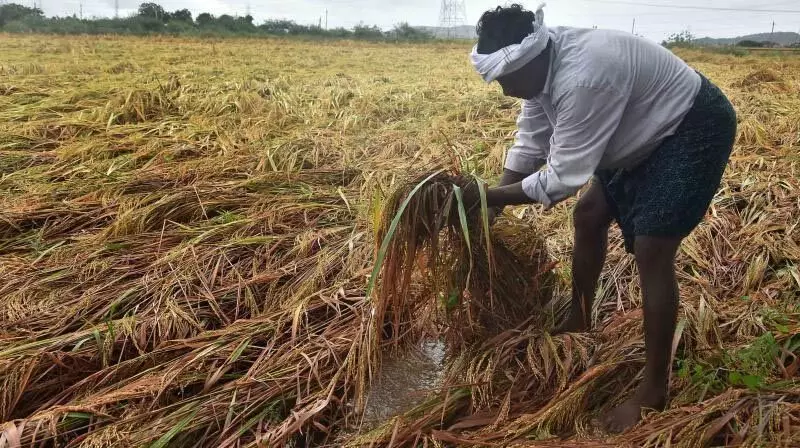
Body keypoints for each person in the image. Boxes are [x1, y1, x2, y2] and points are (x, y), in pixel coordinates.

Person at [463, 3, 737, 433]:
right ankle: (579, 320)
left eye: (504, 79)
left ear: (529, 60)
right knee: (589, 214)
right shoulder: (542, 70)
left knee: (653, 246)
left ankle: (653, 391)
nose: (501, 90)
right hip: (638, 125)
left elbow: (562, 177)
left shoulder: (585, 76)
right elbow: (531, 140)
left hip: (691, 125)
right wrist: (490, 205)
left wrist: (485, 196)